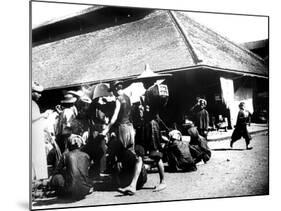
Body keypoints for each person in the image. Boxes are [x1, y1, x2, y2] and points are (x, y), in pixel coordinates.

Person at [106, 81, 145, 195]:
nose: (112, 93)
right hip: (130, 127)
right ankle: (132, 182)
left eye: (112, 90)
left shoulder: (118, 99)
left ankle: (127, 183)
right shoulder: (128, 98)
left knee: (123, 154)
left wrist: (107, 128)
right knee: (131, 153)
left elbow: (114, 117)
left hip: (122, 127)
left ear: (115, 89)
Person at [49, 135, 93, 200]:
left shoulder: (65, 155)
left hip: (71, 191)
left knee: (56, 177)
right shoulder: (86, 155)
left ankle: (63, 193)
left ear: (69, 145)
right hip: (85, 190)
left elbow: (57, 171)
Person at [32, 81, 51, 181]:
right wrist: (43, 115)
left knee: (38, 155)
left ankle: (38, 177)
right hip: (33, 135)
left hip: (36, 134)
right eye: (37, 92)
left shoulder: (34, 104)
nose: (40, 95)